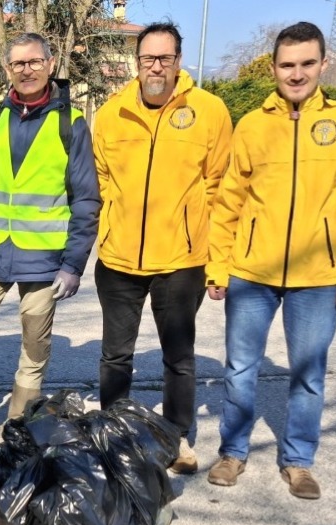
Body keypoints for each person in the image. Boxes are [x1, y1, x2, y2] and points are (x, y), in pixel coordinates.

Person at [204, 22, 336, 499]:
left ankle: (298, 461)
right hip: (251, 273)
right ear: (274, 68)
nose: (296, 74)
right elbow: (228, 202)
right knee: (240, 368)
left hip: (318, 276)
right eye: (287, 65)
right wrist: (218, 267)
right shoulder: (253, 124)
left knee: (308, 372)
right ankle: (232, 453)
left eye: (306, 63)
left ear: (323, 64)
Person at [92, 22, 233, 474]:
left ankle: (177, 437)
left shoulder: (209, 111)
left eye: (165, 58)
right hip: (119, 259)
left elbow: (222, 188)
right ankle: (114, 432)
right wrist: (107, 227)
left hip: (181, 260)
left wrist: (218, 262)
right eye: (148, 58)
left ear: (178, 61)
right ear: (137, 62)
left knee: (179, 358)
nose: (156, 66)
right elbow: (100, 180)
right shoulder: (110, 113)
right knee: (116, 356)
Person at [0, 33, 100, 436]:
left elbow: (86, 199)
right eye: (18, 64)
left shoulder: (71, 124)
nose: (26, 70)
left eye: (34, 62)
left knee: (33, 351)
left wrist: (73, 265)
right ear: (7, 70)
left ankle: (19, 432)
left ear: (50, 65)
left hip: (44, 262)